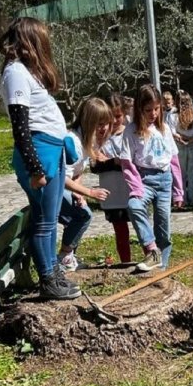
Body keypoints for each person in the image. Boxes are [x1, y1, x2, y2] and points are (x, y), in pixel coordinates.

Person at [0, 17, 80, 300]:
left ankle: (53, 272)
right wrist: (35, 168)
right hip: (39, 152)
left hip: (50, 149)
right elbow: (20, 127)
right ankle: (48, 279)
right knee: (45, 221)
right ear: (31, 40)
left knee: (49, 218)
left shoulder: (27, 72)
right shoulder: (16, 72)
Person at [120, 84, 184, 273]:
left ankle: (161, 267)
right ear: (139, 109)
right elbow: (126, 162)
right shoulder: (131, 131)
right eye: (148, 110)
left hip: (165, 181)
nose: (153, 113)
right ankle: (151, 249)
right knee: (134, 206)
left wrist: (178, 191)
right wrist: (136, 187)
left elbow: (174, 161)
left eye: (157, 109)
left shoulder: (163, 129)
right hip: (144, 180)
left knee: (163, 224)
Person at [57, 97, 111, 271]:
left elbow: (77, 171)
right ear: (88, 122)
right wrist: (89, 192)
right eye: (99, 124)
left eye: (106, 123)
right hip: (51, 189)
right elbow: (62, 177)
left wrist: (78, 192)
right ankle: (64, 257)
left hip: (62, 188)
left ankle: (67, 256)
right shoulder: (73, 141)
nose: (104, 128)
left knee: (78, 214)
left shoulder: (89, 140)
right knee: (83, 215)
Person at [91, 93, 132, 263]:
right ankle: (125, 262)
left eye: (118, 116)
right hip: (112, 191)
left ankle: (150, 258)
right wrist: (114, 162)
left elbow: (132, 161)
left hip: (130, 189)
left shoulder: (130, 133)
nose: (115, 121)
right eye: (111, 117)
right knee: (121, 231)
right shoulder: (98, 137)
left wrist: (112, 161)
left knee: (140, 226)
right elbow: (95, 165)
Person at [170, 90, 193, 207]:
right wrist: (189, 140)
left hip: (179, 147)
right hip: (192, 146)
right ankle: (192, 199)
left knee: (181, 174)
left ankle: (182, 199)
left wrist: (182, 139)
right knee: (192, 174)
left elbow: (172, 132)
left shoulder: (173, 116)